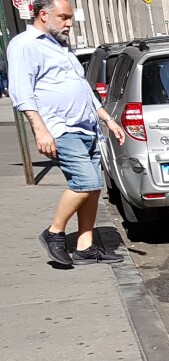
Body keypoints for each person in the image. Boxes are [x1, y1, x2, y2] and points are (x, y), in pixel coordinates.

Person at [7, 0, 126, 267]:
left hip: (86, 127)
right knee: (85, 183)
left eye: (70, 18)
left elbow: (83, 89)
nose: (69, 23)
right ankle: (54, 233)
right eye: (63, 17)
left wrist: (107, 119)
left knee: (93, 189)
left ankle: (85, 247)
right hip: (60, 128)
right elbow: (22, 92)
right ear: (43, 15)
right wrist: (40, 131)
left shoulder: (60, 46)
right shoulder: (26, 44)